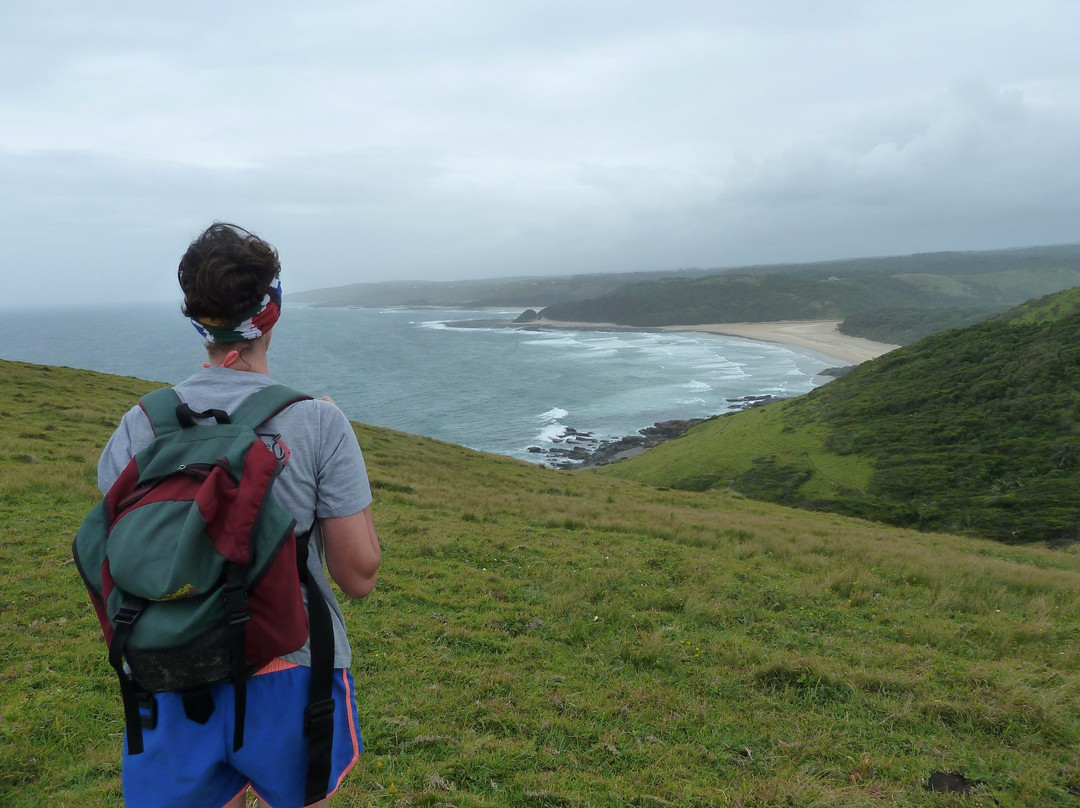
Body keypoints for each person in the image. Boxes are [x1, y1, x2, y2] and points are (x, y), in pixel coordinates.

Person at [96, 222, 382, 808]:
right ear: (271, 311)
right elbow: (359, 577)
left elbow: (117, 560)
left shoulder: (140, 426)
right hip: (292, 667)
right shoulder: (320, 422)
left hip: (171, 669)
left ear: (195, 317)